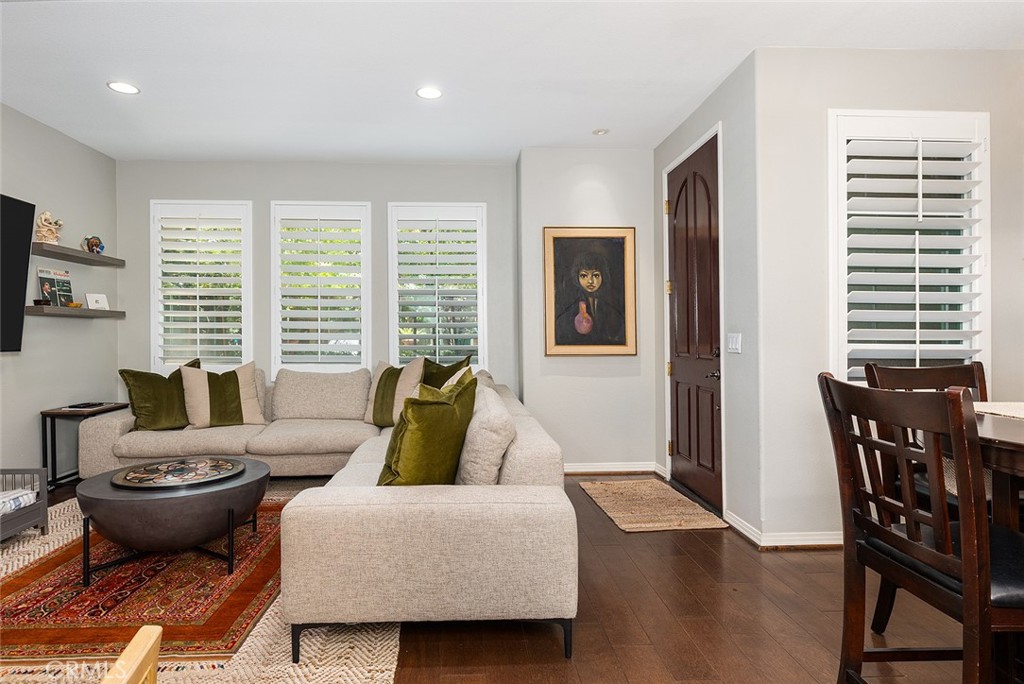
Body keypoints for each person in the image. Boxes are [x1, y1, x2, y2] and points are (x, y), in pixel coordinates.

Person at [554, 251, 625, 345]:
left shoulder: (611, 309)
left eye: (595, 275)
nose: (590, 281)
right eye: (584, 276)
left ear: (603, 276)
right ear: (577, 277)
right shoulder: (570, 311)